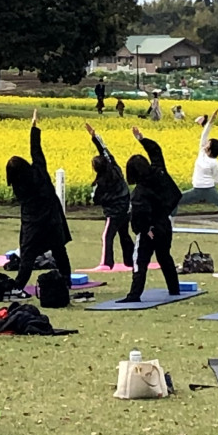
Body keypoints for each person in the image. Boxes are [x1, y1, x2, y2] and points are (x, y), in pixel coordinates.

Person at [5, 110, 72, 296]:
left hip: (33, 224)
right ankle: (66, 279)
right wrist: (34, 128)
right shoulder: (39, 171)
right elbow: (36, 150)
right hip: (52, 220)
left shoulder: (19, 187)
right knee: (59, 251)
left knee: (27, 256)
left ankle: (18, 285)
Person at [121, 126, 182, 302]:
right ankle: (174, 289)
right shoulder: (159, 171)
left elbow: (140, 216)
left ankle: (134, 295)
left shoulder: (140, 193)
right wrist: (142, 139)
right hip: (165, 223)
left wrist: (145, 229)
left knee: (140, 261)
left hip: (150, 229)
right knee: (164, 256)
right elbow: (156, 152)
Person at [177, 110, 218, 222]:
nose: (205, 144)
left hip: (209, 189)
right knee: (175, 200)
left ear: (210, 149)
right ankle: (169, 219)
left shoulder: (214, 162)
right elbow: (204, 134)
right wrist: (211, 120)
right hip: (196, 189)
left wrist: (216, 185)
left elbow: (217, 177)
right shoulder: (202, 153)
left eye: (208, 144)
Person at [86, 124, 133, 269]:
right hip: (126, 208)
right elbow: (105, 151)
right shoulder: (115, 168)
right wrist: (94, 137)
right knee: (124, 235)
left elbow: (96, 200)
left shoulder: (100, 183)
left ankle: (107, 263)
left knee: (107, 236)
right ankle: (130, 261)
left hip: (114, 213)